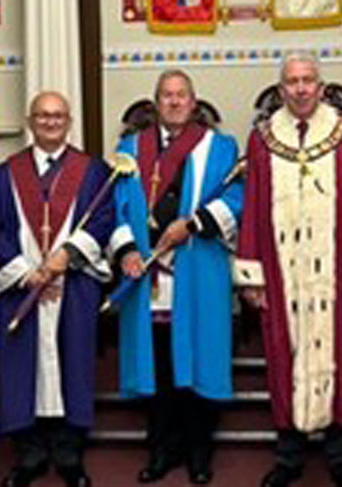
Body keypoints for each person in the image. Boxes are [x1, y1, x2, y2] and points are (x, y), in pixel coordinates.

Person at [236, 51, 342, 487]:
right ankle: (289, 454)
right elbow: (254, 208)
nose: (300, 88)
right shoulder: (262, 139)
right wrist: (252, 275)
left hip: (337, 270)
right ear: (281, 90)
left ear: (321, 85)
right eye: (292, 81)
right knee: (283, 352)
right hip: (280, 272)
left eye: (308, 80)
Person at [109, 69, 243, 486]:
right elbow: (112, 210)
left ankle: (200, 452)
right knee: (161, 366)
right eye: (166, 95)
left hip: (197, 269)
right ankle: (162, 449)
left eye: (181, 95)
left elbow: (236, 197)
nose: (174, 102)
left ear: (194, 100)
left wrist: (194, 223)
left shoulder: (220, 147)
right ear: (155, 103)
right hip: (148, 277)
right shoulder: (129, 150)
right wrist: (128, 250)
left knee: (197, 361)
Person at [0, 91, 114, 487]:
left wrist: (64, 259)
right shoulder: (4, 174)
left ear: (69, 121)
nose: (51, 122)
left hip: (73, 283)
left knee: (72, 361)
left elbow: (103, 219)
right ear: (30, 122)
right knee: (22, 366)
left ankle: (69, 452)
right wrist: (29, 274)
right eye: (42, 116)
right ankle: (30, 453)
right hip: (22, 286)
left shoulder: (93, 171)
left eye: (58, 116)